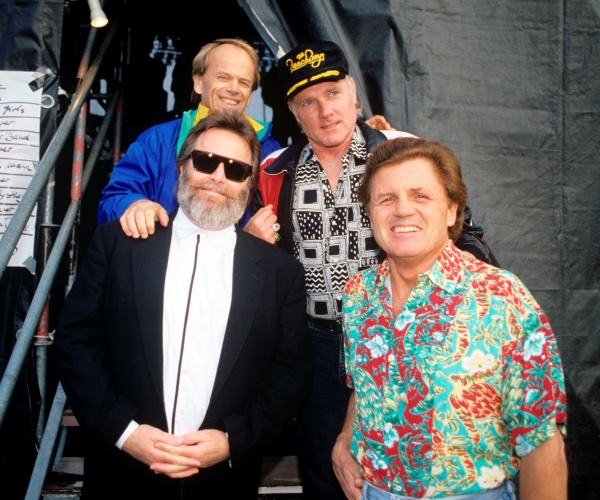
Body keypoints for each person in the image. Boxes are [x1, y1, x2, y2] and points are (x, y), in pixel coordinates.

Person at [243, 40, 498, 499]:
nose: (325, 111)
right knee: (325, 461)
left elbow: (464, 233)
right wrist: (251, 248)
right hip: (317, 341)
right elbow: (247, 263)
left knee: (409, 456)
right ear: (293, 112)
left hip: (403, 336)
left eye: (334, 94)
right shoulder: (273, 172)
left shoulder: (403, 152)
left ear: (354, 94)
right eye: (308, 102)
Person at [52, 112, 312, 499]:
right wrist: (126, 433)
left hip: (224, 481)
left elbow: (290, 372)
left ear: (249, 184)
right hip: (122, 474)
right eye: (206, 161)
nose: (218, 177)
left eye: (237, 169)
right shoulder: (118, 244)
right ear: (182, 166)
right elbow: (76, 343)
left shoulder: (280, 272)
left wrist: (231, 441)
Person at [332, 137, 568, 500]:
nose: (402, 210)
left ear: (452, 210)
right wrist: (345, 440)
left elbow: (541, 441)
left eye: (421, 196)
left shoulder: (502, 298)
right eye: (386, 198)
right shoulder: (358, 295)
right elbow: (362, 385)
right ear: (370, 213)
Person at [97, 37, 282, 238]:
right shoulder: (158, 140)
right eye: (223, 77)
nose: (234, 88)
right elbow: (111, 202)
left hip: (237, 267)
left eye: (244, 82)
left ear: (250, 94)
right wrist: (133, 206)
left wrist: (254, 242)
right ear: (198, 82)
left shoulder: (270, 152)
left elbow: (284, 227)